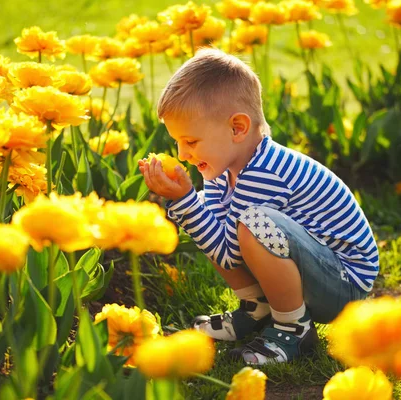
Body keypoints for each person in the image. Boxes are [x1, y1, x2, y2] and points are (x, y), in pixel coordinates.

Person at [138, 48, 379, 365]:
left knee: (254, 224)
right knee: (233, 225)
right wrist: (188, 202)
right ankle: (258, 309)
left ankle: (294, 329)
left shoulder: (266, 173)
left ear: (237, 128)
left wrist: (184, 201)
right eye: (177, 142)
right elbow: (219, 240)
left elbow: (228, 251)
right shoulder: (222, 169)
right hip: (316, 269)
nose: (182, 154)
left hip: (344, 284)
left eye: (191, 142)